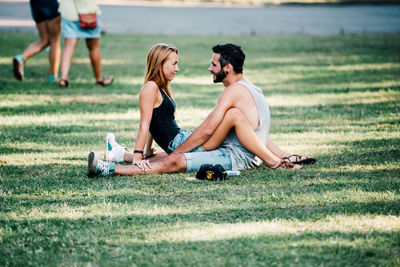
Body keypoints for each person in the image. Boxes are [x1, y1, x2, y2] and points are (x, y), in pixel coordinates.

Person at [87, 43, 315, 177]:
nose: (209, 68)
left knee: (172, 159)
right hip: (211, 145)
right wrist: (284, 155)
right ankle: (117, 155)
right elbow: (147, 123)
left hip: (228, 154)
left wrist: (277, 159)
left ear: (227, 68)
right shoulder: (252, 89)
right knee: (170, 156)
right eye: (174, 64)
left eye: (214, 65)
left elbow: (207, 130)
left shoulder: (233, 92)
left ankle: (111, 166)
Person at [58, 0, 113, 87]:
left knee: (69, 46)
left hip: (69, 13)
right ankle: (99, 79)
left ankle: (63, 79)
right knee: (94, 47)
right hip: (88, 13)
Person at [13, 0, 61, 82]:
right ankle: (54, 76)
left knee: (45, 40)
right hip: (50, 3)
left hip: (35, 4)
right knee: (54, 40)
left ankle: (21, 58)